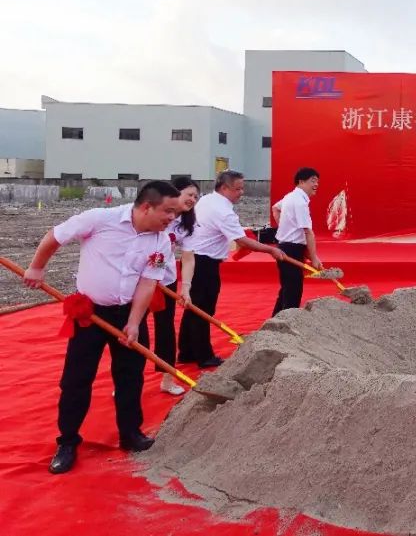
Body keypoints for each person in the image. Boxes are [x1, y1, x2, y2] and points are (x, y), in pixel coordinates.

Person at [23, 181, 180, 475]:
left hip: (128, 313)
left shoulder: (160, 240)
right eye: (168, 211)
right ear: (147, 207)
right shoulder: (99, 219)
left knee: (131, 376)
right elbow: (55, 236)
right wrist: (37, 267)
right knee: (76, 379)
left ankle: (130, 433)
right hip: (90, 315)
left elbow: (148, 282)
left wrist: (134, 322)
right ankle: (68, 441)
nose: (173, 217)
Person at [178, 170, 284, 368]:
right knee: (203, 309)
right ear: (224, 188)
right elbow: (241, 240)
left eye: (242, 188)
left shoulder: (208, 200)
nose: (241, 192)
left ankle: (187, 351)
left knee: (193, 306)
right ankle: (203, 355)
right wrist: (271, 250)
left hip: (198, 259)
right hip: (203, 263)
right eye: (238, 189)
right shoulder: (222, 211)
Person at [153, 176, 200, 395]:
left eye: (196, 197)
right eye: (189, 194)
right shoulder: (156, 214)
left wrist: (186, 288)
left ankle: (167, 379)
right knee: (134, 328)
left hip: (166, 280)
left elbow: (188, 258)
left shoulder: (187, 224)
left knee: (165, 328)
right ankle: (127, 381)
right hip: (139, 280)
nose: (192, 199)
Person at [270, 167, 323, 315]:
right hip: (291, 250)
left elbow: (275, 208)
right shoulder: (299, 202)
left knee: (287, 289)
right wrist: (314, 258)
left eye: (317, 181)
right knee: (293, 291)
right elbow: (308, 232)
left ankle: (275, 320)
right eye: (313, 180)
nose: (316, 184)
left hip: (286, 246)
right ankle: (287, 323)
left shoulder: (290, 197)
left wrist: (285, 227)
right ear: (301, 181)